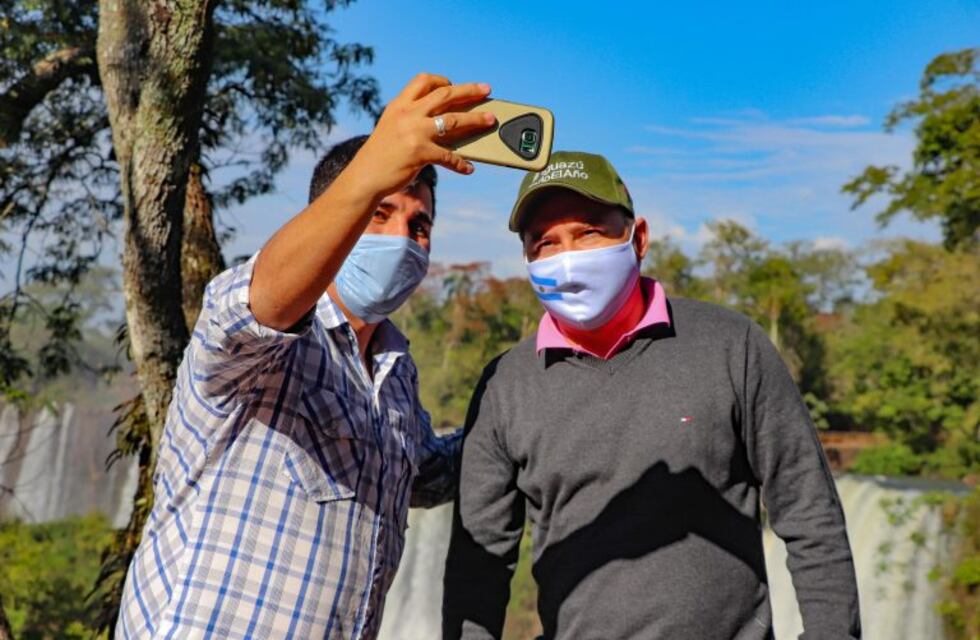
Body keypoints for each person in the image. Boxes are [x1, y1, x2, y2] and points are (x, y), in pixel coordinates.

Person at [115, 73, 497, 639]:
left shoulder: (396, 372)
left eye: (419, 226)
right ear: (334, 219)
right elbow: (259, 305)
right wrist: (371, 170)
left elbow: (428, 476)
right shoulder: (256, 342)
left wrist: (523, 402)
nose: (402, 238)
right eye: (378, 213)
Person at [442, 151, 861, 639]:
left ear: (637, 238)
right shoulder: (505, 384)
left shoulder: (730, 345)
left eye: (588, 232)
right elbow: (480, 566)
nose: (567, 255)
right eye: (545, 243)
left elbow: (810, 514)